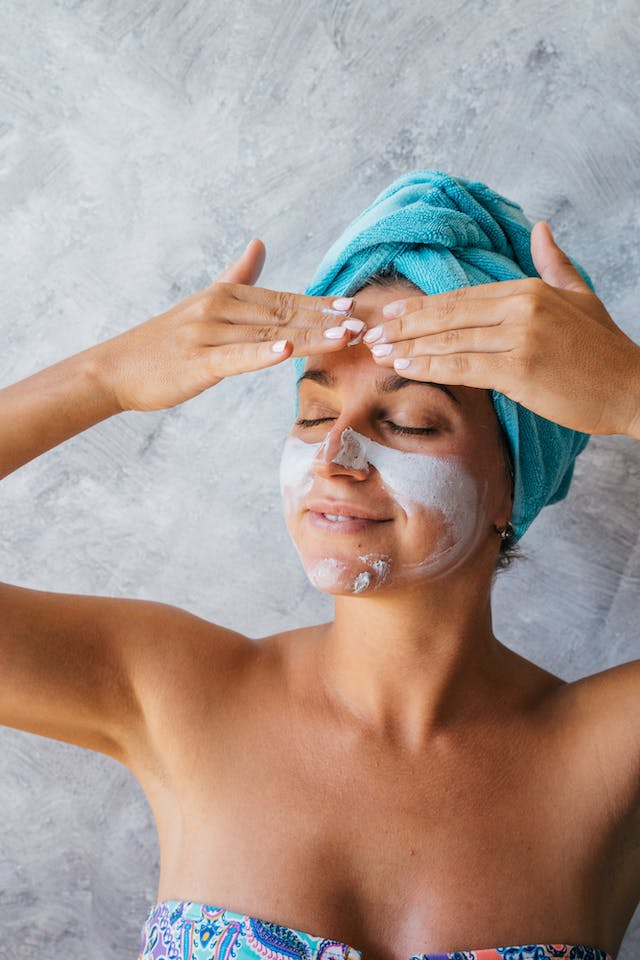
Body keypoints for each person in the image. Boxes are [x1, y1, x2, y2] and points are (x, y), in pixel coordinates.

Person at [1, 171, 638, 960]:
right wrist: (106, 377)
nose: (336, 455)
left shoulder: (609, 754)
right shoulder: (176, 694)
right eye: (314, 411)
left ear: (514, 482)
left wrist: (634, 392)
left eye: (408, 421)